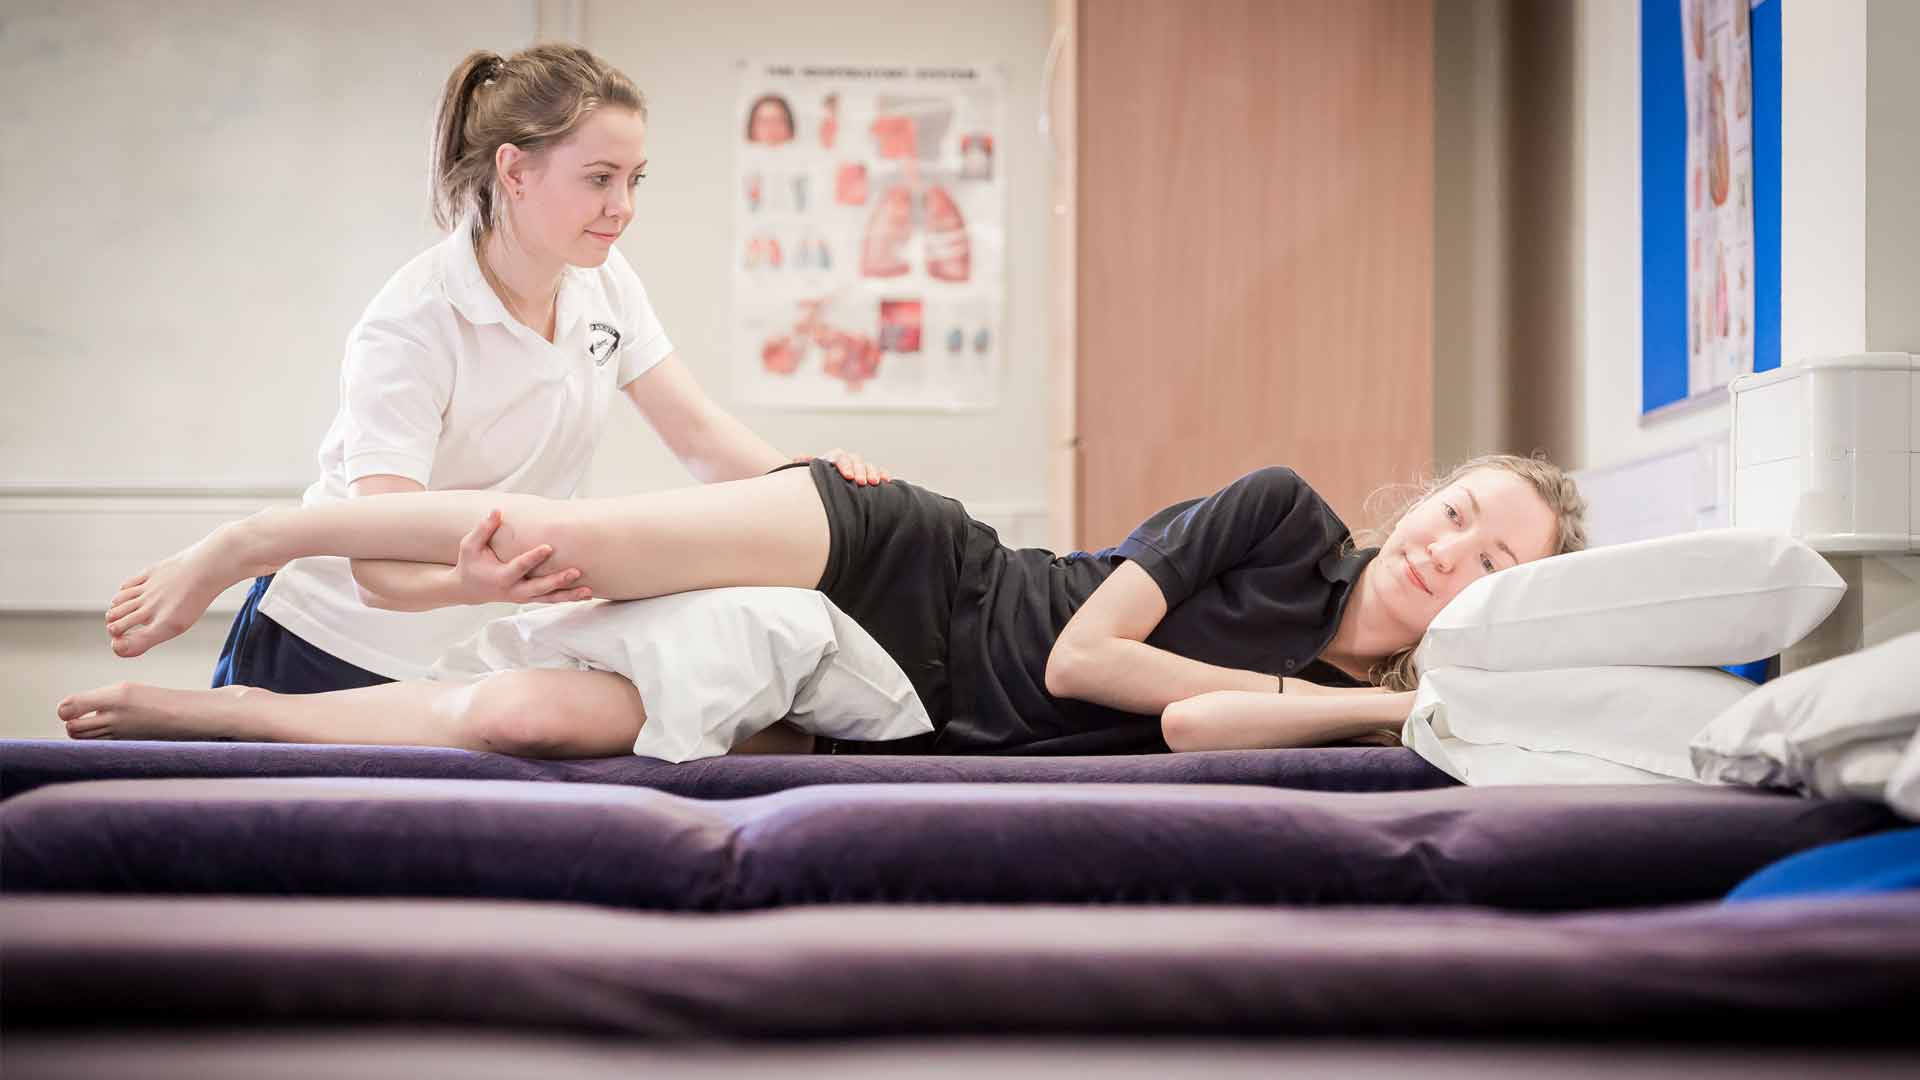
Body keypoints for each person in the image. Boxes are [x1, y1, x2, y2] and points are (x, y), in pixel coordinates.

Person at [69, 455, 1587, 758]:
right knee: (569, 540)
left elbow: (1193, 724)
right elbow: (1084, 655)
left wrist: (1390, 704)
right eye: (1461, 510)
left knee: (535, 717)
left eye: (1498, 562)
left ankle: (213, 710)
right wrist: (1351, 704)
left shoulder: (1374, 726)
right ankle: (255, 532)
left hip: (895, 699)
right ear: (1422, 498)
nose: (1454, 551)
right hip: (898, 559)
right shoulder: (1281, 516)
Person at [213, 44, 886, 699]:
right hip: (324, 648)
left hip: (465, 653)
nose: (622, 206)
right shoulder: (414, 322)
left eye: (633, 179)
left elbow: (700, 436)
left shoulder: (605, 283)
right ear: (514, 172)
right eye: (599, 178)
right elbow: (378, 568)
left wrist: (810, 496)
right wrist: (470, 584)